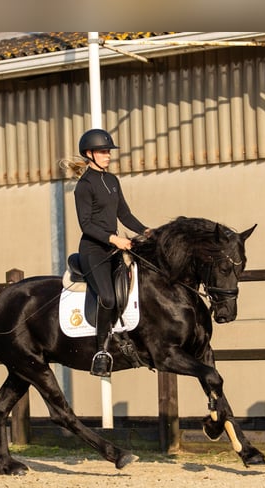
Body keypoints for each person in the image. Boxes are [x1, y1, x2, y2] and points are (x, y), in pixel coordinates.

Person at [73, 128, 150, 376]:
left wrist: (147, 231)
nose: (108, 155)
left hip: (113, 248)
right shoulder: (83, 186)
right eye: (103, 151)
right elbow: (86, 224)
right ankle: (101, 352)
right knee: (107, 297)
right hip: (93, 250)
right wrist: (113, 238)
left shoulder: (112, 181)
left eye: (108, 151)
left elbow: (124, 214)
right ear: (89, 154)